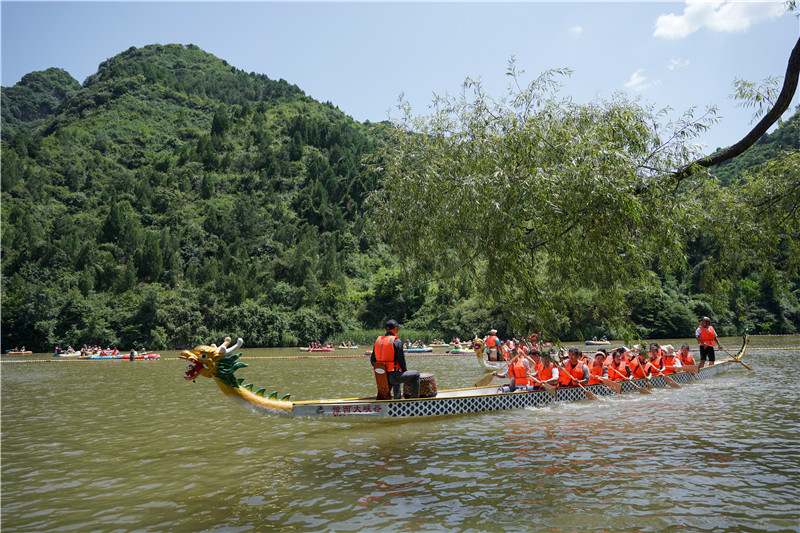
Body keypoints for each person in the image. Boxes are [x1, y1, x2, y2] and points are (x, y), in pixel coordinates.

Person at [371, 319, 420, 399]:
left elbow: (372, 361)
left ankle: (397, 398)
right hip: (393, 378)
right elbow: (402, 362)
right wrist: (405, 372)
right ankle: (414, 402)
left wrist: (383, 371)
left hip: (381, 377)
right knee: (416, 375)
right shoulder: (397, 342)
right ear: (396, 328)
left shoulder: (378, 341)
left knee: (397, 372)